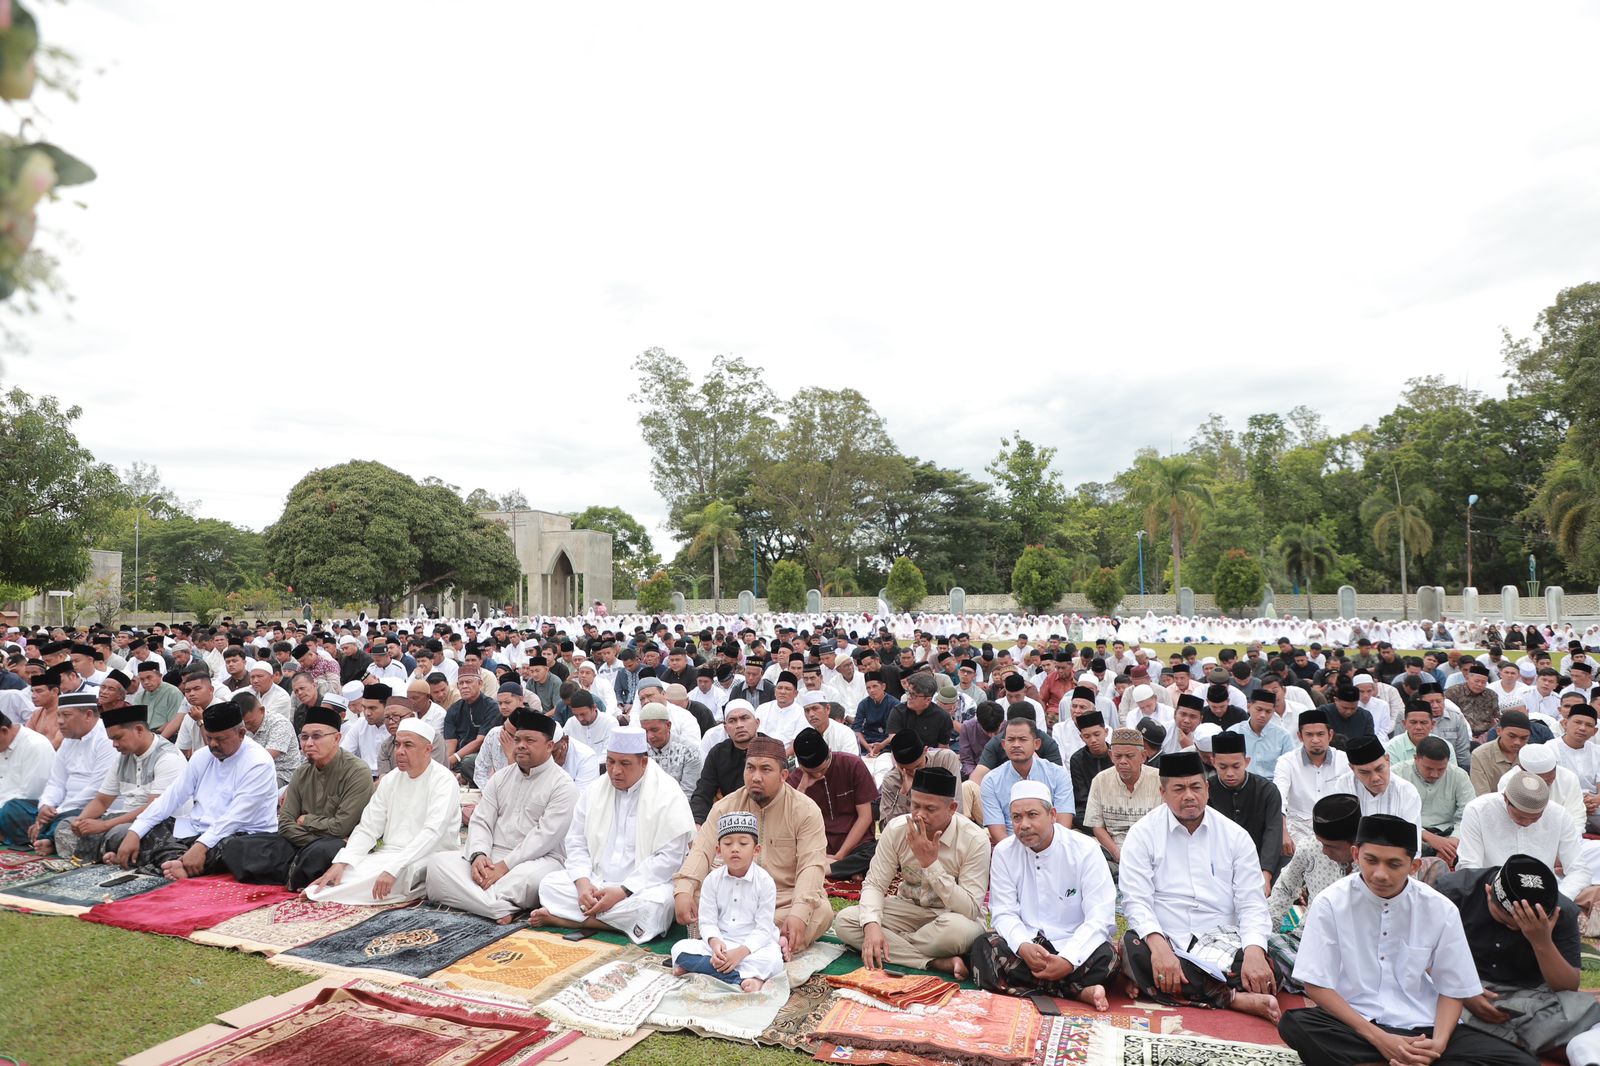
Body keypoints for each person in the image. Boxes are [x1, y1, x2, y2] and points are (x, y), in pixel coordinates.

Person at [1277, 814, 1533, 1066]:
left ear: (1414, 866)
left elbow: (1452, 987)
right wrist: (1381, 1040)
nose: (1380, 874)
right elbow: (1315, 985)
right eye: (1371, 860)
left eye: (1394, 864)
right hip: (1357, 1024)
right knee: (1296, 1024)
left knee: (1521, 1062)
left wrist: (1438, 1045)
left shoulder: (1439, 908)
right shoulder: (1331, 902)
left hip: (1424, 1027)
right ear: (1356, 855)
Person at [1119, 751, 1282, 1022]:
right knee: (1134, 948)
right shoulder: (1142, 834)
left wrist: (1254, 952)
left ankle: (1172, 988)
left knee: (1265, 962)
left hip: (1223, 937)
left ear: (1207, 788)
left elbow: (1252, 902)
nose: (1189, 796)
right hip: (1167, 934)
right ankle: (1233, 998)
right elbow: (1136, 900)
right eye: (1179, 789)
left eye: (1196, 787)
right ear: (1163, 792)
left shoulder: (1235, 836)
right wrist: (1160, 949)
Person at [534, 725, 694, 943]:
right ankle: (613, 922)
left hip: (641, 888)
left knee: (656, 905)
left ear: (643, 762)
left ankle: (570, 919)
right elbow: (576, 842)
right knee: (549, 884)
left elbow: (670, 858)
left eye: (625, 763)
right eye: (610, 762)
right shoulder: (595, 790)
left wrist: (623, 891)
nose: (615, 771)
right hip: (596, 881)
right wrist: (582, 883)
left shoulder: (668, 794)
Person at [675, 734, 832, 956]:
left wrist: (799, 911)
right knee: (695, 894)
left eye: (765, 769)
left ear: (784, 775)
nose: (755, 777)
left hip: (782, 899)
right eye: (750, 768)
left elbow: (812, 865)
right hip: (734, 894)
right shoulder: (726, 806)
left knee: (820, 911)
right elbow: (701, 850)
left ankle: (726, 943)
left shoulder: (805, 810)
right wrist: (684, 889)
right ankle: (774, 945)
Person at [1433, 854, 1600, 1062]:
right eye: (1507, 922)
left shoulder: (1560, 910)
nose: (1515, 929)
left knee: (1584, 1008)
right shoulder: (1454, 892)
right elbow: (1422, 958)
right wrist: (1464, 993)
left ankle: (1495, 1039)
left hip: (1529, 998)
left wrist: (1541, 941)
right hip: (1456, 991)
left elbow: (1567, 987)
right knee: (1431, 1006)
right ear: (1488, 892)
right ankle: (1527, 1043)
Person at [971, 779, 1118, 1009]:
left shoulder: (1084, 849)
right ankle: (1076, 992)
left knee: (1107, 956)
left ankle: (1033, 988)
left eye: (1032, 815)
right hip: (1028, 944)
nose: (1024, 824)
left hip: (1073, 940)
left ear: (1052, 815)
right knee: (983, 946)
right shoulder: (1003, 852)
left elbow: (1100, 917)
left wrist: (1068, 960)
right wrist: (1022, 945)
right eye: (1017, 817)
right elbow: (1003, 912)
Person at [834, 766, 989, 979]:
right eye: (915, 805)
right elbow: (875, 884)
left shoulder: (974, 840)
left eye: (930, 809)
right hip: (907, 909)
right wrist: (871, 925)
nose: (919, 815)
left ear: (952, 808)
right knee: (846, 921)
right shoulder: (897, 829)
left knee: (959, 933)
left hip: (949, 916)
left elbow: (970, 909)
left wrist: (930, 864)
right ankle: (935, 961)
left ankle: (895, 944)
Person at [426, 710, 577, 922]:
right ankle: (496, 907)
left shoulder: (563, 785)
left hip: (537, 860)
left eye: (529, 740)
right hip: (491, 855)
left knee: (530, 881)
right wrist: (479, 856)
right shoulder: (501, 778)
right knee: (436, 864)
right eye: (517, 740)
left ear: (550, 746)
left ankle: (479, 900)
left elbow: (544, 837)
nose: (521, 745)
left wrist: (504, 867)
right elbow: (481, 820)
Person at [114, 700, 279, 878]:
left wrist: (202, 846)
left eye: (220, 739)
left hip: (243, 834)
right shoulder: (203, 756)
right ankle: (180, 863)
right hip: (197, 831)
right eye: (209, 738)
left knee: (235, 849)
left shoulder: (259, 762)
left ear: (240, 733)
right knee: (148, 829)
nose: (213, 744)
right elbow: (172, 797)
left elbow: (235, 817)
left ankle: (168, 860)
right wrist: (135, 831)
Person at [216, 704, 375, 889]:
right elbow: (285, 823)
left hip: (335, 845)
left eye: (316, 736)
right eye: (304, 737)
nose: (308, 744)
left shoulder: (357, 772)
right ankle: (293, 871)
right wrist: (310, 836)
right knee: (238, 845)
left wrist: (306, 820)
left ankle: (288, 871)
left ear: (337, 738)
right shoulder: (302, 772)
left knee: (324, 851)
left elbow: (341, 826)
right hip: (302, 841)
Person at [306, 718, 461, 904]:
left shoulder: (444, 781)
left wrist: (393, 869)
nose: (400, 751)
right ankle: (321, 892)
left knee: (393, 876)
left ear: (428, 750)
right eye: (397, 744)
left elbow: (432, 832)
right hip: (389, 854)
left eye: (408, 745)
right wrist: (342, 862)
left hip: (429, 854)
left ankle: (321, 895)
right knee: (346, 872)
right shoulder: (391, 780)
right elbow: (368, 827)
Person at [52, 704, 183, 862]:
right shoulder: (123, 757)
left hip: (161, 824)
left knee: (119, 833)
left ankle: (109, 855)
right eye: (111, 739)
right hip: (124, 818)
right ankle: (109, 855)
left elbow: (154, 809)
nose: (114, 745)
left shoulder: (167, 757)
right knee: (66, 826)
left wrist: (104, 826)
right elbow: (102, 800)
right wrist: (81, 821)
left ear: (139, 730)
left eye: (117, 738)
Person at [669, 811, 783, 991]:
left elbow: (764, 929)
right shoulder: (712, 880)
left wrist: (739, 954)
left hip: (751, 948)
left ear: (756, 850)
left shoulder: (765, 881)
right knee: (679, 948)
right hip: (720, 944)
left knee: (774, 960)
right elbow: (707, 922)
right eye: (728, 843)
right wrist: (716, 945)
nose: (735, 848)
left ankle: (704, 969)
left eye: (743, 843)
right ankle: (741, 978)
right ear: (718, 850)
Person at [0, 692, 116, 851]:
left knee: (70, 820)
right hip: (60, 808)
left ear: (88, 715)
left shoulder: (108, 739)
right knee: (12, 808)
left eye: (66, 715)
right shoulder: (68, 739)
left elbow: (96, 790)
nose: (60, 722)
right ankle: (47, 838)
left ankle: (45, 839)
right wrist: (45, 806)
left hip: (91, 809)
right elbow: (56, 782)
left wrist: (57, 812)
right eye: (58, 715)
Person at [1267, 793, 1357, 987]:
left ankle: (1319, 984)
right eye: (1321, 843)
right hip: (1307, 938)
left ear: (1355, 846)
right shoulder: (1309, 848)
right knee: (1265, 944)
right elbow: (1284, 888)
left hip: (1354, 949)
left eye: (1330, 846)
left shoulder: (1372, 862)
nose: (1323, 851)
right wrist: (1269, 929)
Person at [1457, 772, 1590, 899]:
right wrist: (1496, 900)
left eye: (1534, 818)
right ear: (1506, 799)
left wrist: (1558, 898)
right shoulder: (1478, 810)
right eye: (1520, 816)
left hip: (1545, 893)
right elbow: (1470, 868)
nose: (1526, 823)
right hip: (1491, 895)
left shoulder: (1558, 814)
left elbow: (1578, 869)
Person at [787, 727, 877, 879]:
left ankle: (828, 869)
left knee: (879, 850)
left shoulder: (852, 764)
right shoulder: (795, 780)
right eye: (811, 772)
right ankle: (849, 869)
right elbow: (791, 824)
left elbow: (865, 817)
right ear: (801, 766)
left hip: (857, 843)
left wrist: (840, 855)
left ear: (829, 753)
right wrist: (802, 788)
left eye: (822, 769)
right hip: (818, 845)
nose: (818, 775)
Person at [1206, 731, 1285, 890]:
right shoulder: (1206, 790)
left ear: (1247, 761)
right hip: (1217, 864)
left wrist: (1265, 874)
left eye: (1236, 766)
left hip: (1259, 861)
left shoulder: (1267, 790)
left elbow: (1273, 833)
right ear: (1213, 762)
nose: (1230, 773)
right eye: (1223, 767)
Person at [980, 716, 1072, 842]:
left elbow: (1063, 826)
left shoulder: (1058, 775)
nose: (1016, 745)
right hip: (1011, 849)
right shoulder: (991, 781)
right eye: (1011, 740)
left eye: (1023, 739)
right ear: (1003, 744)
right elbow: (998, 833)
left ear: (1036, 744)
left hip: (1053, 846)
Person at [1083, 726, 1160, 873]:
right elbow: (1097, 826)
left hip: (1152, 852)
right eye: (1118, 757)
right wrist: (1118, 855)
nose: (1123, 762)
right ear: (1111, 756)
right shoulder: (1100, 780)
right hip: (1113, 854)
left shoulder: (1159, 780)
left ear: (1143, 757)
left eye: (1129, 756)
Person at [1273, 708, 1351, 849]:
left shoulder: (1344, 760)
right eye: (1309, 735)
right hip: (1298, 829)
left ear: (1330, 735)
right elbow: (1279, 798)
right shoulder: (1287, 762)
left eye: (1320, 734)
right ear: (1300, 736)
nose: (1315, 740)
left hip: (1336, 828)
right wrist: (1283, 831)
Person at [1393, 736, 1475, 863]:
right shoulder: (1397, 775)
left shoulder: (1459, 776)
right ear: (1415, 759)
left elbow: (1467, 815)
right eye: (1429, 768)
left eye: (1441, 769)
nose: (1435, 774)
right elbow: (1394, 816)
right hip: (1410, 834)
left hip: (1450, 835)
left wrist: (1452, 843)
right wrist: (1428, 837)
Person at [1343, 734, 1422, 850]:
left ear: (1387, 760)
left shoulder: (1407, 792)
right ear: (1352, 769)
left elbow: (1412, 845)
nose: (1375, 778)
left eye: (1379, 769)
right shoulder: (1343, 787)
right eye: (1365, 773)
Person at [878, 729, 967, 830]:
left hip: (946, 831)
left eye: (918, 766)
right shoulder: (891, 780)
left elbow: (956, 810)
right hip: (910, 835)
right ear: (896, 764)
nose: (914, 773)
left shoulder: (945, 760)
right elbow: (886, 829)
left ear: (925, 751)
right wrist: (902, 794)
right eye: (907, 769)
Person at [691, 699, 755, 823]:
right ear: (726, 728)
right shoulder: (718, 753)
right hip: (728, 818)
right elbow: (703, 791)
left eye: (744, 718)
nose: (739, 725)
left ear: (757, 723)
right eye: (732, 721)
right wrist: (697, 822)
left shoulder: (771, 748)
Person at [639, 703, 702, 799]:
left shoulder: (689, 751)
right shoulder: (637, 751)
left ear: (668, 726)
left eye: (654, 730)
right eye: (645, 731)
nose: (650, 736)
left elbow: (688, 793)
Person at [1228, 689, 1294, 778]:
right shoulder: (1233, 733)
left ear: (1273, 711)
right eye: (1259, 709)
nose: (1263, 715)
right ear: (1249, 706)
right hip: (1242, 784)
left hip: (1273, 785)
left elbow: (1289, 767)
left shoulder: (1283, 736)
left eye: (1268, 711)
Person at [0, 709, 54, 811]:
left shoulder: (35, 745)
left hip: (26, 809)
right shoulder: (3, 743)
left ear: (4, 731)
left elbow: (31, 794)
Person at [1066, 711, 1112, 827]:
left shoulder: (1117, 755)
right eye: (1087, 736)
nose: (1093, 740)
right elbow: (1081, 798)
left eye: (1097, 734)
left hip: (1116, 809)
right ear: (1081, 737)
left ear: (1105, 732)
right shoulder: (1077, 760)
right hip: (1089, 811)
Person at [1471, 710, 1532, 795]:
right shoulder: (1480, 755)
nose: (1517, 742)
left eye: (1524, 738)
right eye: (1512, 736)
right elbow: (1482, 796)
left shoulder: (1531, 755)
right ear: (1499, 731)